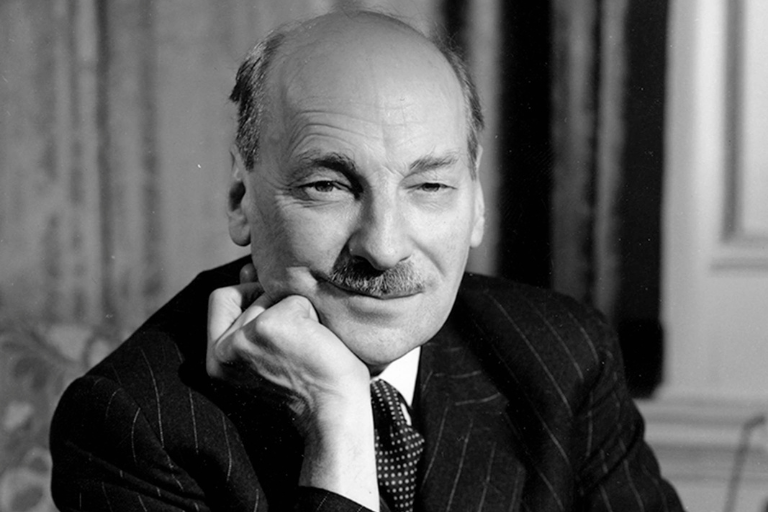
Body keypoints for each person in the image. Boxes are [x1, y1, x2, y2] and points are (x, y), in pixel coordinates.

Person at [50, 9, 683, 512]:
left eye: (429, 186)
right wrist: (337, 420)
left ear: (477, 203)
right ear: (241, 199)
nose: (382, 246)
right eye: (328, 185)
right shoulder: (134, 423)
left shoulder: (564, 356)